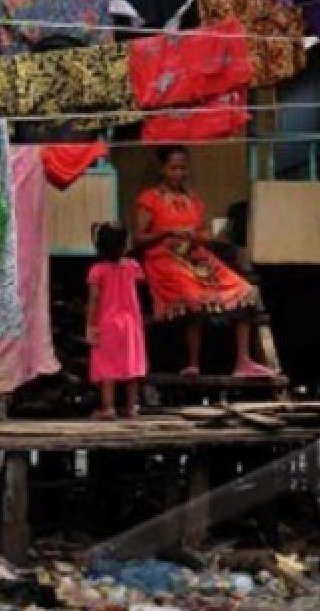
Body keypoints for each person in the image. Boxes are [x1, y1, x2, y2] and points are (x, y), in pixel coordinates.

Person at [134, 145, 275, 378]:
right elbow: (139, 238)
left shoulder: (193, 200)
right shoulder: (149, 198)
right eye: (173, 168)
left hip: (196, 256)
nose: (179, 173)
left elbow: (205, 234)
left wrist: (197, 236)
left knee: (245, 290)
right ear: (163, 169)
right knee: (193, 295)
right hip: (164, 259)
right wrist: (167, 232)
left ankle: (243, 361)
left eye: (182, 168)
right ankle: (193, 363)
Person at [86, 223, 147, 419]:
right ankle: (132, 407)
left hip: (107, 322)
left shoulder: (97, 270)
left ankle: (108, 407)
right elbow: (141, 283)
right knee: (131, 363)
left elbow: (94, 300)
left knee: (107, 366)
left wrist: (90, 325)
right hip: (131, 322)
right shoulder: (132, 266)